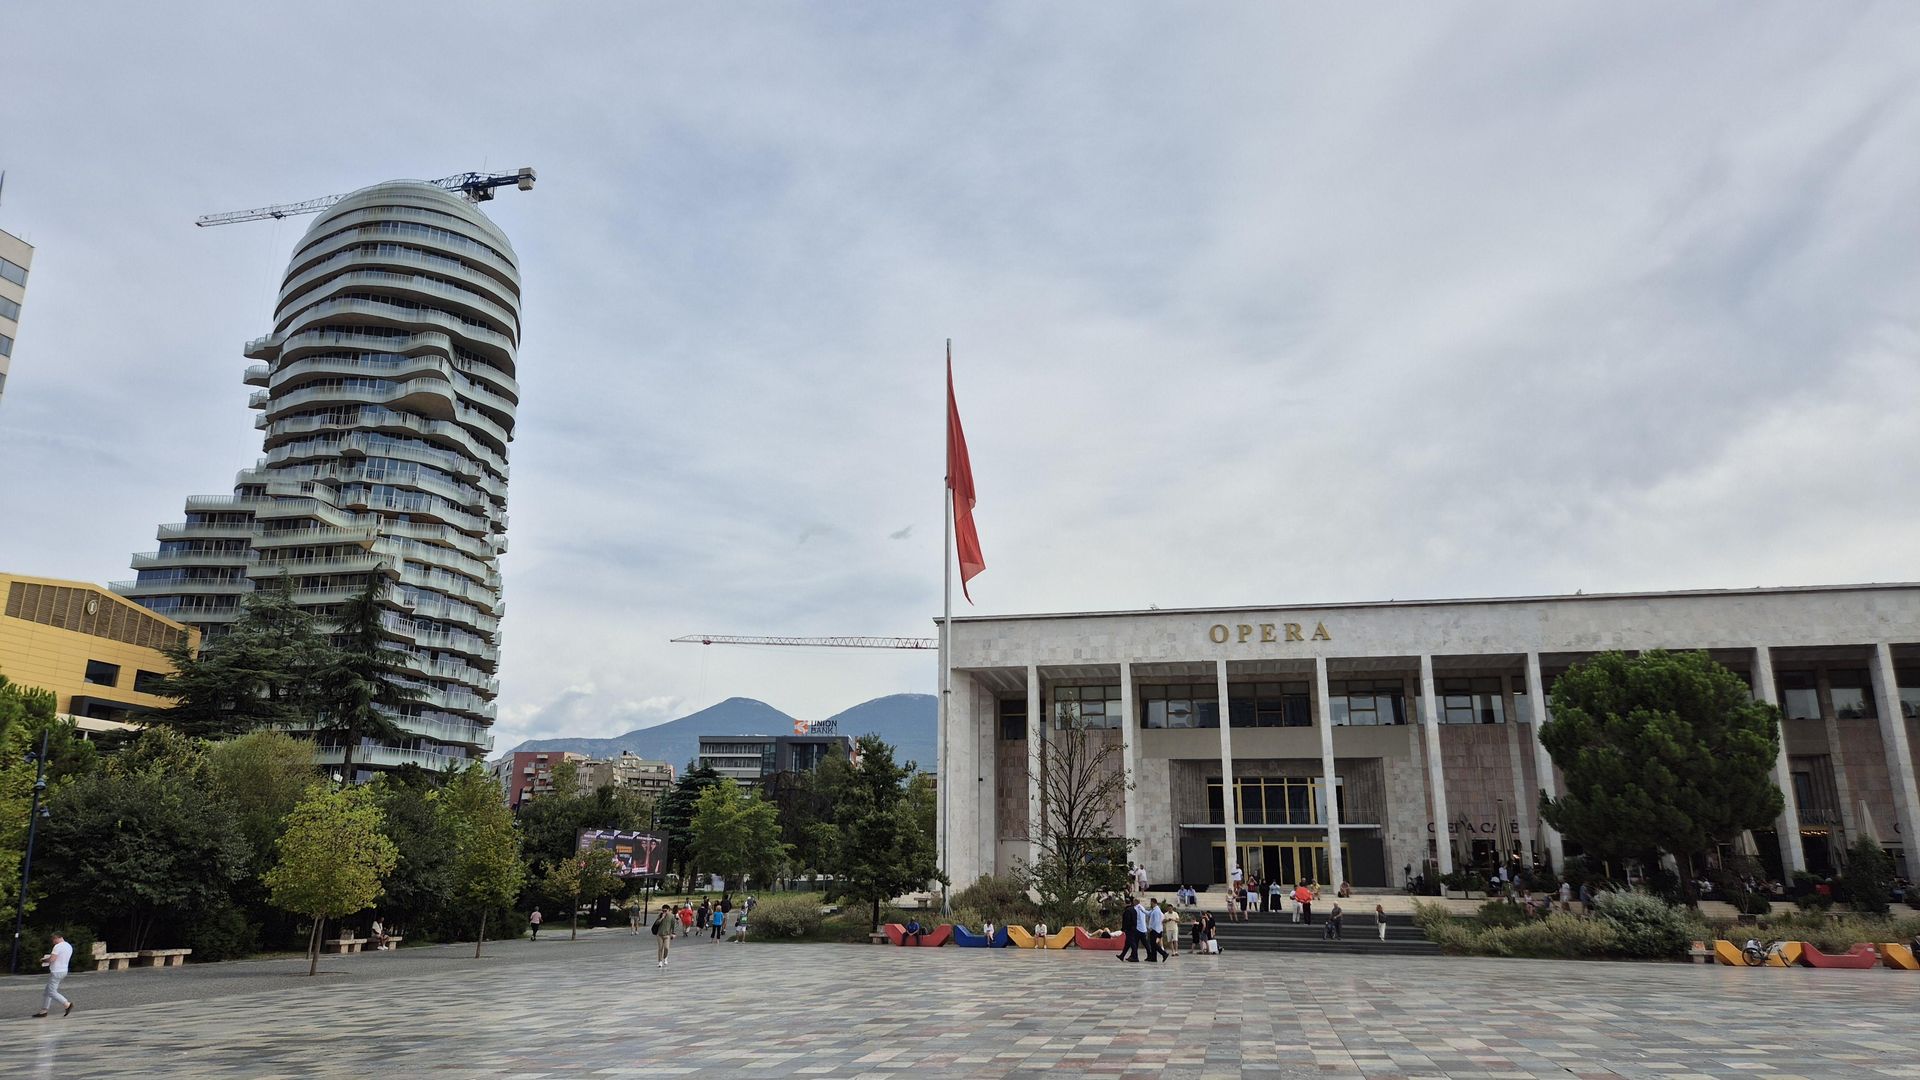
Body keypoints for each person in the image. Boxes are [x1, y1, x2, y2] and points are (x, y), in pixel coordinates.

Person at [33, 931, 73, 1018]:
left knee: (51, 992)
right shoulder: (68, 946)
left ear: (56, 937)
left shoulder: (57, 947)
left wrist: (43, 960)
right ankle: (44, 1010)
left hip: (56, 971)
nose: (52, 942)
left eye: (53, 940)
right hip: (64, 970)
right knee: (47, 991)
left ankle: (67, 1004)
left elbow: (52, 959)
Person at [651, 902, 677, 968]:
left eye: (665, 911)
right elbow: (656, 923)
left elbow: (673, 926)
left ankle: (665, 957)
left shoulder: (671, 916)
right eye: (663, 910)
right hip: (659, 934)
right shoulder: (660, 915)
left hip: (667, 935)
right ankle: (660, 962)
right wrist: (662, 917)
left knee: (666, 948)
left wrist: (673, 933)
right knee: (660, 948)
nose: (664, 912)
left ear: (669, 910)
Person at [1118, 898, 1142, 962]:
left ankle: (1135, 957)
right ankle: (1122, 955)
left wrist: (1124, 928)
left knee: (1132, 943)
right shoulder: (1133, 909)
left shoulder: (1128, 910)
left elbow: (1126, 921)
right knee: (1127, 943)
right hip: (1133, 928)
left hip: (1129, 929)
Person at [1144, 898, 1165, 962]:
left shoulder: (1156, 911)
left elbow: (1156, 921)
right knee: (1152, 944)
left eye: (1151, 902)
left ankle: (1164, 954)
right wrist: (1141, 908)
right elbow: (1148, 913)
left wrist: (1151, 928)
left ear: (1153, 902)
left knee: (1154, 944)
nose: (1150, 904)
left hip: (1155, 930)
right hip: (1154, 929)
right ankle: (1154, 958)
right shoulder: (1154, 910)